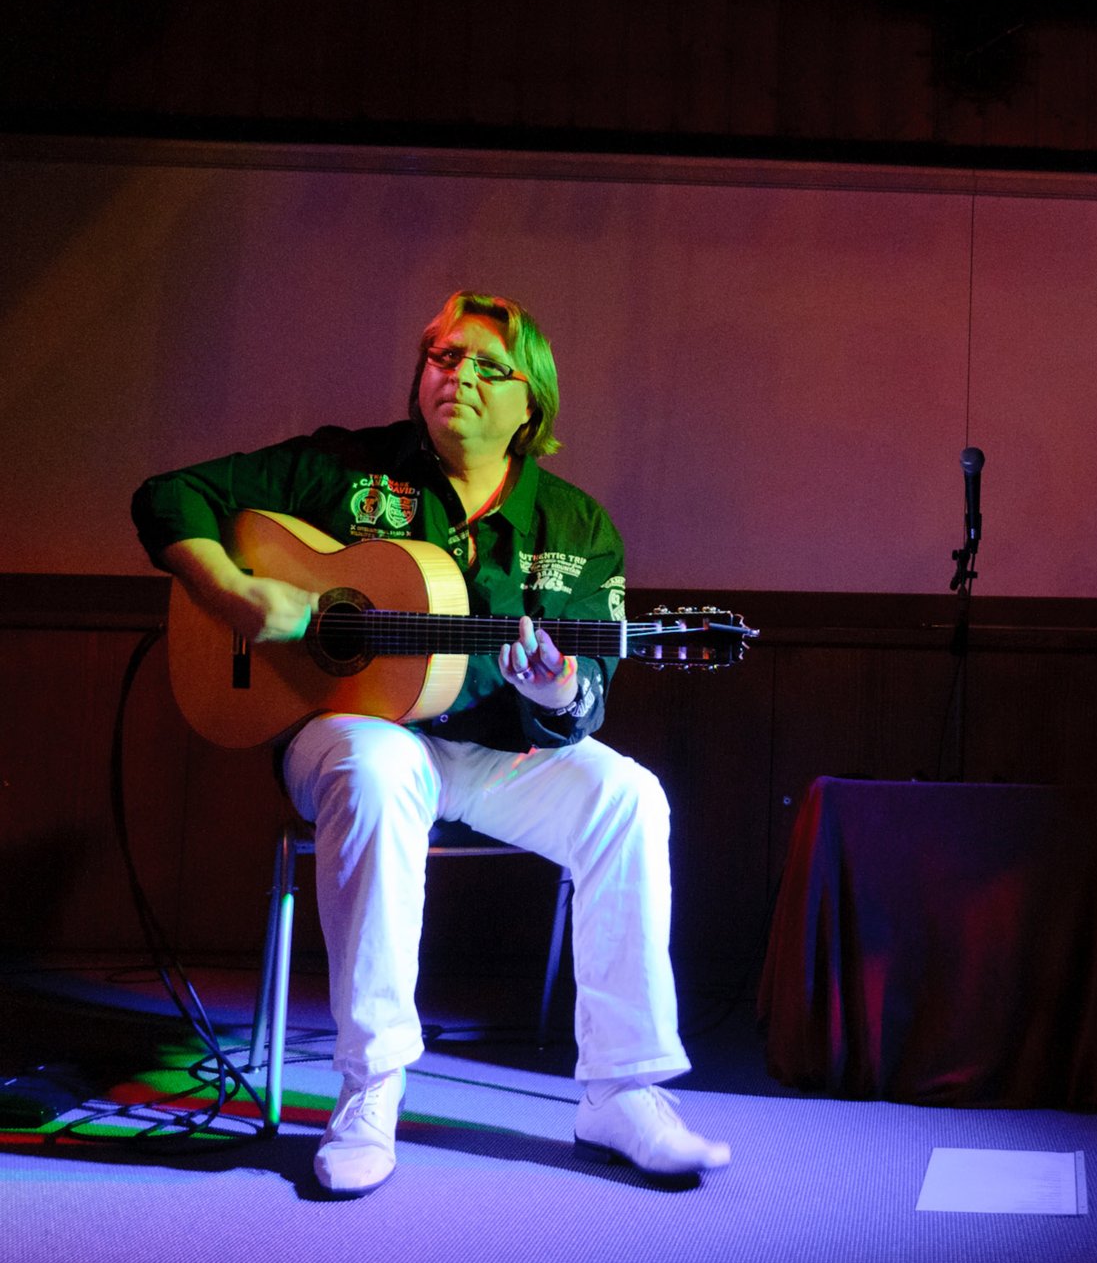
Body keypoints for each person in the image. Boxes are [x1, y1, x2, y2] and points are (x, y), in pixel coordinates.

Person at [133, 291, 729, 1195]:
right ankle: (371, 1088)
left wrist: (559, 689)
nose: (459, 375)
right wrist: (233, 590)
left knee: (629, 796)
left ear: (533, 405)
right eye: (444, 356)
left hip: (497, 750)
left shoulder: (574, 529)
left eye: (489, 366)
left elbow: (587, 702)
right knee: (377, 768)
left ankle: (623, 1089)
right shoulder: (343, 467)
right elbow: (167, 494)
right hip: (354, 733)